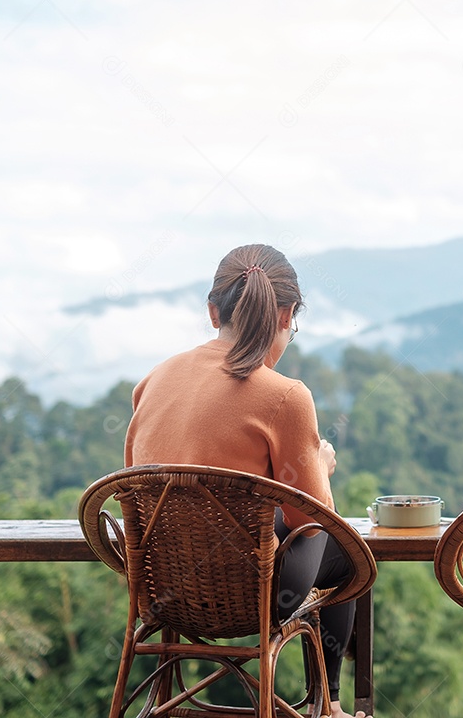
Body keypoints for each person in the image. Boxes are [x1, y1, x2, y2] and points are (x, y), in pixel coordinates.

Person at [124, 244, 368, 718]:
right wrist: (318, 466)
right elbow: (315, 524)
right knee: (349, 550)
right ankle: (330, 706)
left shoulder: (152, 381)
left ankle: (161, 699)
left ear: (214, 312)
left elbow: (141, 496)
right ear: (286, 316)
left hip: (160, 590)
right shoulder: (286, 396)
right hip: (254, 596)